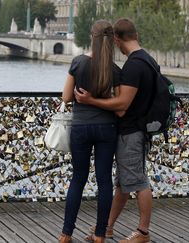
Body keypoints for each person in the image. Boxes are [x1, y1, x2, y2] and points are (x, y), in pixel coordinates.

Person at [75, 18, 155, 243]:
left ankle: (143, 232)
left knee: (139, 182)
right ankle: (108, 226)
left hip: (131, 131)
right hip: (139, 129)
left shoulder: (133, 66)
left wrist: (91, 100)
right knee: (123, 183)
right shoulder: (148, 60)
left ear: (118, 40)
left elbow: (121, 106)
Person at [58, 19, 121, 243]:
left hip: (81, 127)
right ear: (111, 40)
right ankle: (100, 234)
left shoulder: (78, 62)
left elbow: (66, 97)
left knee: (78, 179)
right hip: (107, 128)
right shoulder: (114, 70)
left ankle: (66, 234)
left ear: (91, 37)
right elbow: (120, 104)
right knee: (104, 180)